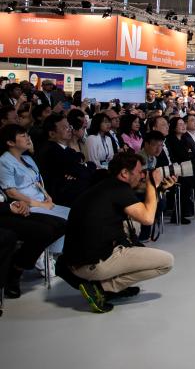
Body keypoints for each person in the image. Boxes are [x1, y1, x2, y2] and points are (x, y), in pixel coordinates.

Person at [62, 150, 175, 313]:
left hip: (74, 260)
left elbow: (141, 208)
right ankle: (104, 288)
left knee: (133, 225)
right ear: (124, 173)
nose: (142, 176)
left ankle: (105, 283)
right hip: (92, 264)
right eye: (139, 172)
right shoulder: (120, 189)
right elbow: (148, 218)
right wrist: (152, 184)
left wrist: (158, 189)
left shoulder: (107, 185)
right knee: (166, 262)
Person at [0, 123, 70, 266]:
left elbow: (38, 181)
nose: (28, 138)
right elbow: (11, 192)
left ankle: (50, 253)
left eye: (27, 135)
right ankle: (43, 256)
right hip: (28, 205)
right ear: (10, 142)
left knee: (72, 214)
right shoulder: (4, 161)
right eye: (23, 136)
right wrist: (40, 204)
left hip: (42, 201)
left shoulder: (28, 159)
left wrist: (47, 197)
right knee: (57, 223)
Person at [37, 113, 95, 207]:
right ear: (52, 134)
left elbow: (80, 158)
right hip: (61, 198)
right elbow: (82, 172)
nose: (70, 129)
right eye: (65, 128)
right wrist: (86, 166)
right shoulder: (51, 151)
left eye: (69, 126)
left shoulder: (64, 148)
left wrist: (84, 166)